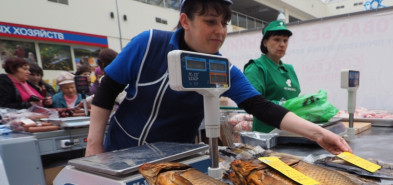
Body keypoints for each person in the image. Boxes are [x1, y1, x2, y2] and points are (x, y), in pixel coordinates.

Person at [85, 0, 351, 157]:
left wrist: (319, 134)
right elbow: (107, 90)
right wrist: (94, 147)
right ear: (185, 21)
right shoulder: (149, 43)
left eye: (224, 23)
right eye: (211, 22)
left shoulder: (222, 69)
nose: (220, 31)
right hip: (121, 153)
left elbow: (262, 107)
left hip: (173, 160)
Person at [243, 20, 300, 133]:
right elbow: (254, 104)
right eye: (277, 39)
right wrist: (285, 105)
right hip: (267, 134)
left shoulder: (290, 69)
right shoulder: (256, 67)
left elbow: (295, 98)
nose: (282, 44)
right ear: (265, 42)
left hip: (292, 132)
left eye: (285, 40)